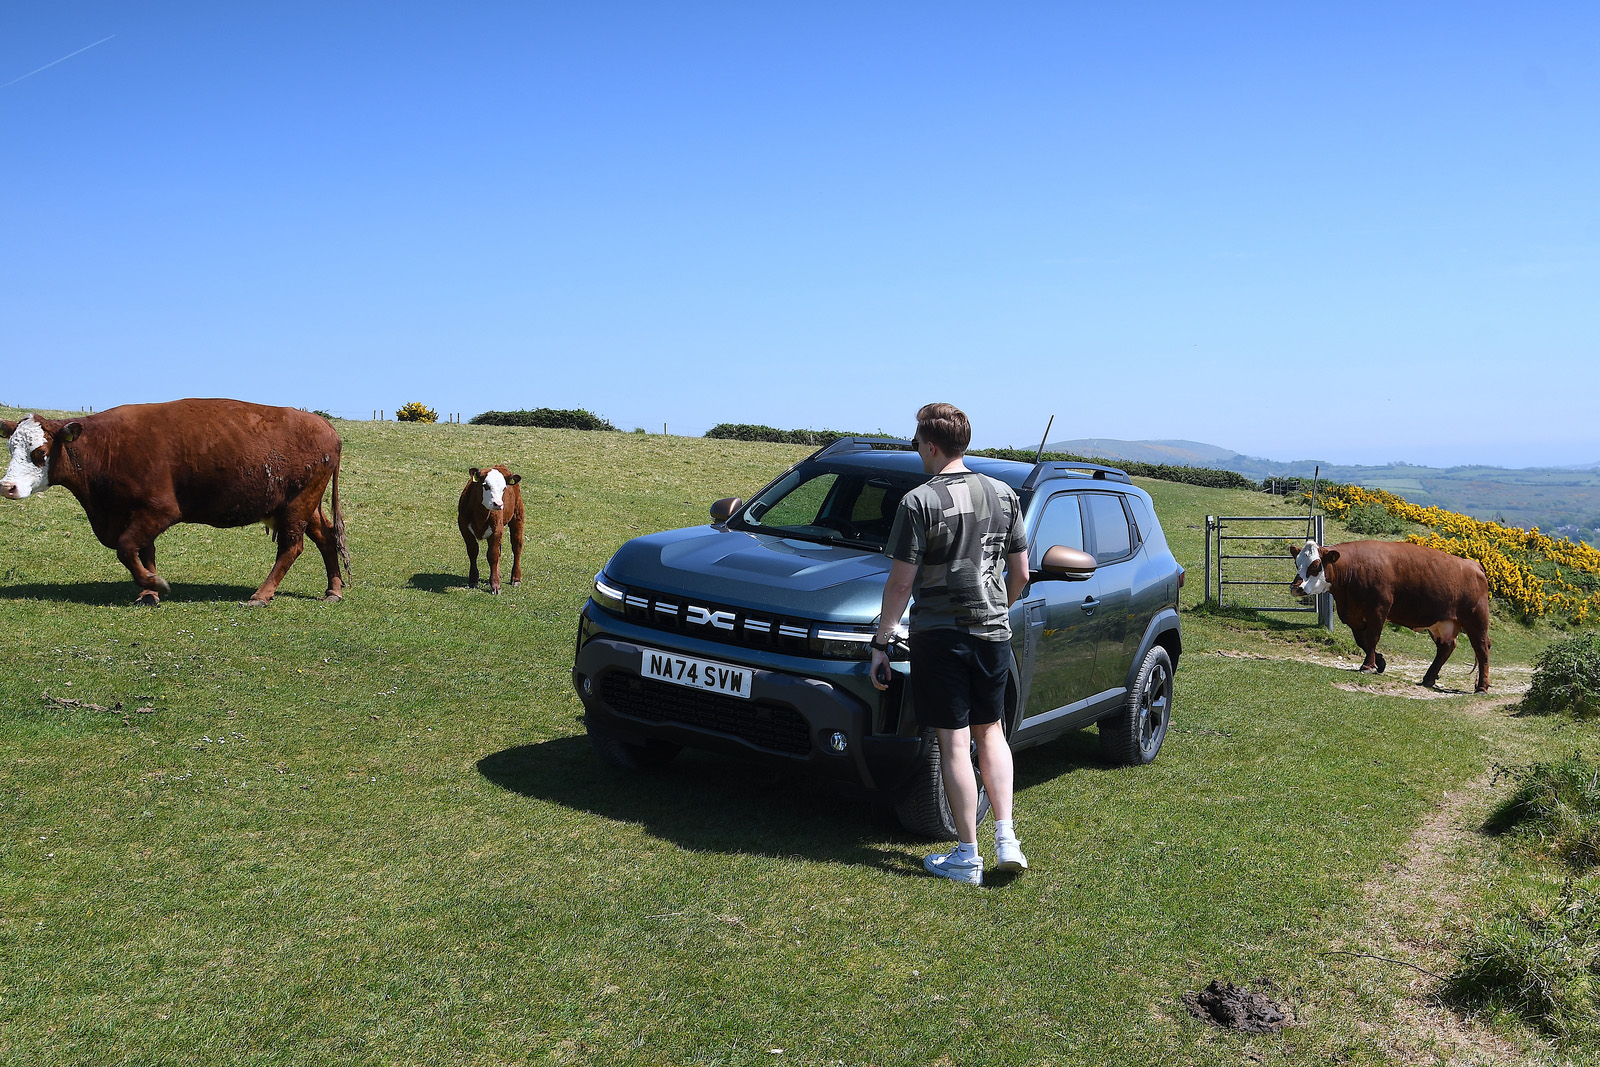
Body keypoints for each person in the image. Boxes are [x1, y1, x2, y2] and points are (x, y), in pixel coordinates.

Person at [869, 403, 1031, 886]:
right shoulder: (1005, 495)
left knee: (955, 742)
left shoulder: (918, 501)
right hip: (993, 634)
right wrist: (998, 608)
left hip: (940, 637)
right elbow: (1021, 574)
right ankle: (1007, 838)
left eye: (918, 443)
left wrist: (882, 641)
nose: (917, 450)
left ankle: (967, 855)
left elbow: (901, 583)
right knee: (991, 732)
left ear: (931, 445)